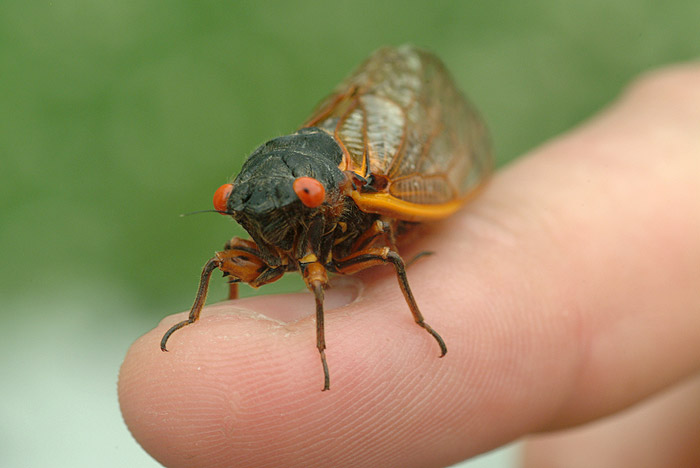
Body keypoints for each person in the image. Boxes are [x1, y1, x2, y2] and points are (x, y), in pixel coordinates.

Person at [118, 64, 700, 468]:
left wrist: (325, 352)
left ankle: (398, 319)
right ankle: (213, 326)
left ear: (317, 193)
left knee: (390, 251)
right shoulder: (261, 219)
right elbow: (229, 259)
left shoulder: (348, 190)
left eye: (304, 197)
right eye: (230, 204)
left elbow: (388, 252)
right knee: (216, 264)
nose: (244, 219)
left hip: (369, 204)